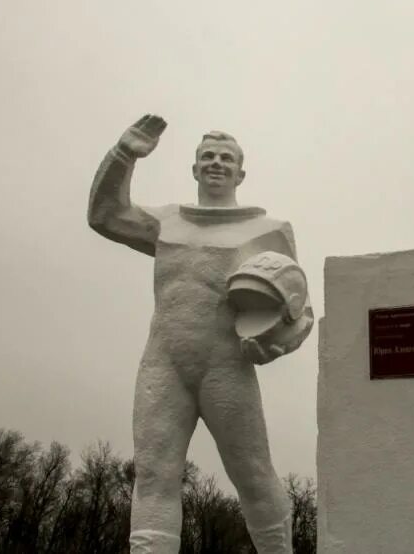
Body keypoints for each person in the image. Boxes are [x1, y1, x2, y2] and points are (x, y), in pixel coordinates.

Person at [87, 114, 312, 554]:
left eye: (226, 158)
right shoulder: (168, 223)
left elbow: (296, 309)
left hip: (225, 366)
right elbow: (105, 215)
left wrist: (276, 340)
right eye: (207, 156)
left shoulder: (266, 231)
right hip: (164, 364)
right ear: (194, 169)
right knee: (153, 474)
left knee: (252, 473)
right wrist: (124, 154)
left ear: (240, 173)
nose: (216, 163)